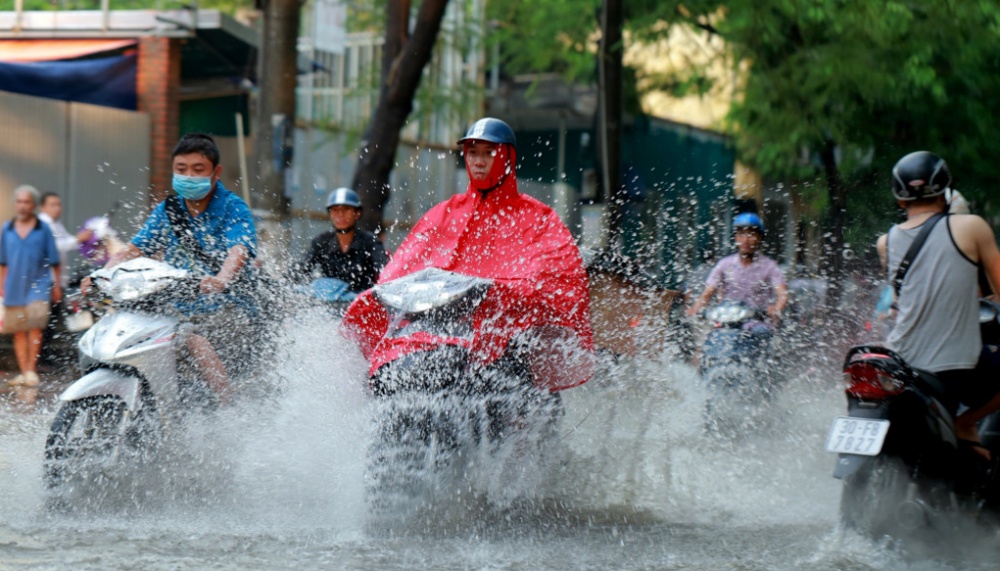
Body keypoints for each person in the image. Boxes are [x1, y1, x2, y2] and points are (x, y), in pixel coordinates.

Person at [342, 117, 594, 392]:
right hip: (434, 335)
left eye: (489, 153)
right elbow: (400, 271)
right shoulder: (443, 213)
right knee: (384, 374)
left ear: (508, 157)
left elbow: (556, 280)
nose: (479, 161)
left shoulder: (538, 218)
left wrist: (504, 293)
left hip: (505, 338)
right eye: (473, 152)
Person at [82, 133, 258, 404]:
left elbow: (239, 250)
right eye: (181, 169)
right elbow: (133, 249)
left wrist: (222, 278)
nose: (189, 176)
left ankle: (229, 409)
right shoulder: (169, 210)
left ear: (216, 172)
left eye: (198, 170)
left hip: (228, 308)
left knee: (192, 340)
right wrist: (102, 273)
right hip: (177, 305)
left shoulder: (234, 208)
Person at [877, 150, 1000, 457]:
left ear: (900, 198)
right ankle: (966, 423)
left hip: (900, 362)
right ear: (945, 190)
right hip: (954, 368)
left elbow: (906, 300)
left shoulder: (885, 242)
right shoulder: (972, 227)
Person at [0, 185, 62, 387]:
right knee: (19, 330)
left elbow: (54, 260)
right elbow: (3, 262)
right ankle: (24, 370)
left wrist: (57, 285)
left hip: (39, 285)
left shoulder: (43, 229)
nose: (22, 206)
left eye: (26, 202)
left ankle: (31, 370)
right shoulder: (7, 229)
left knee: (35, 327)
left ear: (33, 205)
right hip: (14, 286)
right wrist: (1, 285)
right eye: (19, 201)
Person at [687, 212, 789, 323]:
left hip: (757, 322)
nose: (746, 239)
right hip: (728, 320)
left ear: (759, 238)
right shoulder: (724, 264)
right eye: (741, 234)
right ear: (735, 238)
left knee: (761, 332)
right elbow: (708, 293)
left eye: (751, 234)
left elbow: (782, 295)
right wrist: (695, 310)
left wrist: (775, 309)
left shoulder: (769, 266)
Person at [289, 187, 387, 294]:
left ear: (357, 213)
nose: (340, 215)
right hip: (328, 304)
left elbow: (385, 271)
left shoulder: (370, 242)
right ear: (330, 214)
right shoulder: (322, 242)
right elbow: (300, 270)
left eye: (346, 209)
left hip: (359, 305)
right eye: (335, 210)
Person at [38, 192, 78, 290]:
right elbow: (53, 246)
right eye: (52, 205)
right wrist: (79, 239)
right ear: (42, 207)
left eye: (59, 205)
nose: (57, 208)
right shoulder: (41, 224)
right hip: (47, 279)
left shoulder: (56, 223)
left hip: (59, 278)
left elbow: (69, 241)